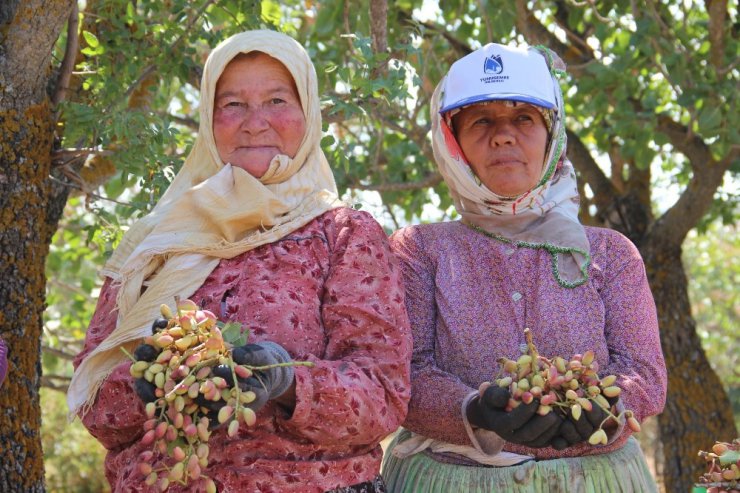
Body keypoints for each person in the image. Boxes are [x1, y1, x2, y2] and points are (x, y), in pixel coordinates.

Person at [68, 30, 412, 493]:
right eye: (232, 104)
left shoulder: (344, 236)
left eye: (276, 100)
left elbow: (384, 395)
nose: (254, 122)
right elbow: (95, 404)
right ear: (208, 121)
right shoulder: (153, 244)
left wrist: (285, 381)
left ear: (308, 115)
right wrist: (148, 385)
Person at [381, 43, 667, 492]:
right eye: (481, 121)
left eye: (524, 119)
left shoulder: (611, 253)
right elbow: (403, 373)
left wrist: (607, 407)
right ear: (453, 142)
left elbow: (645, 374)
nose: (504, 136)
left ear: (551, 136)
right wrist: (473, 410)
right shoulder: (419, 251)